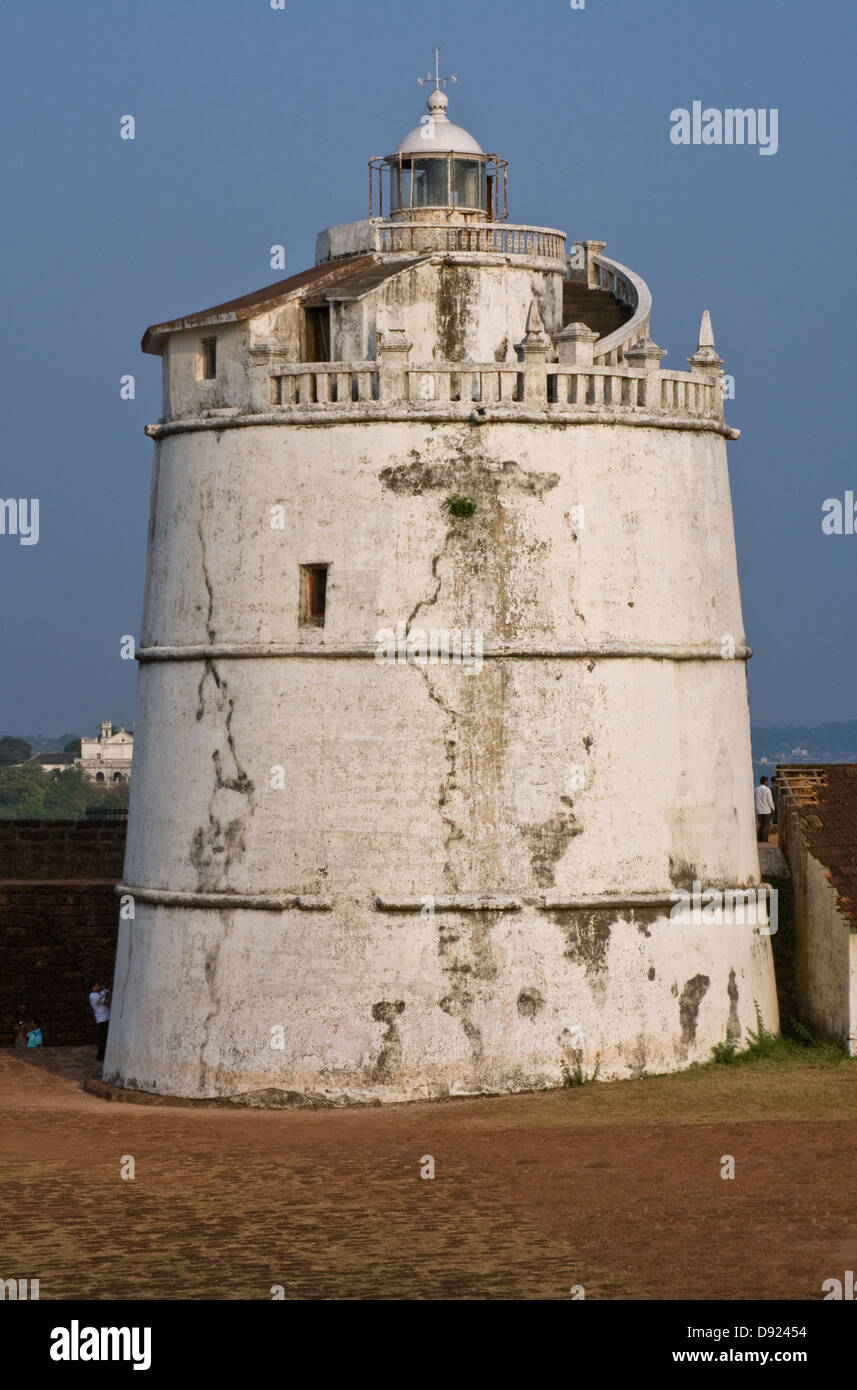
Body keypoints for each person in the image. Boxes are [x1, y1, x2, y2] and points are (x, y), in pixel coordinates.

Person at [89, 981, 111, 1061]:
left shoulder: (100, 993)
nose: (98, 987)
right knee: (103, 1039)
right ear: (93, 987)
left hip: (106, 1017)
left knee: (105, 1038)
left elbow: (107, 991)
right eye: (96, 985)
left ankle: (102, 1055)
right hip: (102, 1019)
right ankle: (100, 1056)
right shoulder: (93, 995)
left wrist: (104, 989)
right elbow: (106, 1002)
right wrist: (109, 995)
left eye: (98, 985)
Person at [755, 776, 775, 843]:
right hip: (766, 810)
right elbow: (770, 801)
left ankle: (759, 840)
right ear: (765, 782)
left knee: (760, 826)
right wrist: (773, 808)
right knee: (766, 826)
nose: (768, 783)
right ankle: (765, 840)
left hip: (758, 810)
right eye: (767, 781)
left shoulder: (756, 789)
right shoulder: (767, 790)